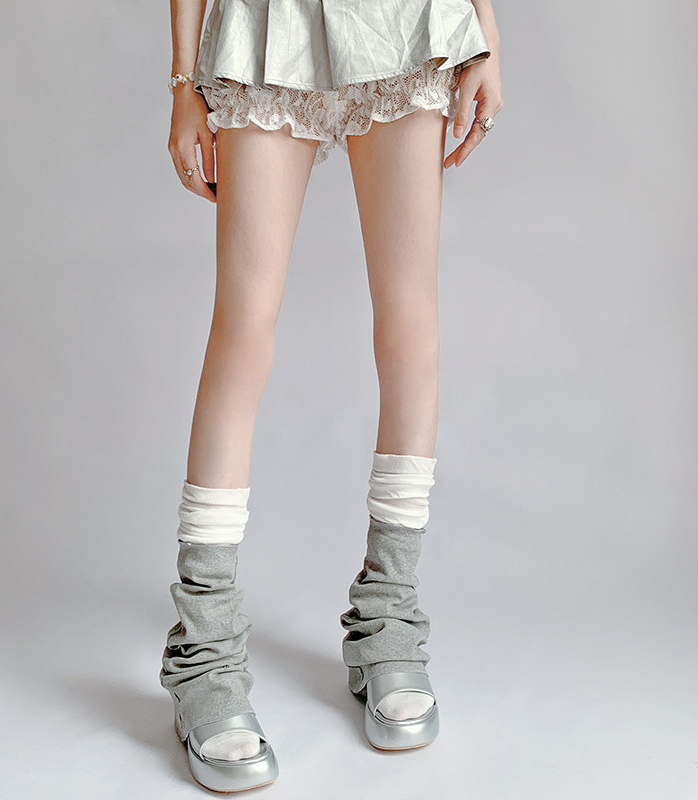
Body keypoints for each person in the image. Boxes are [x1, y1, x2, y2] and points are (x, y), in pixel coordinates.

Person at [159, 0, 503, 792]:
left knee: (410, 322)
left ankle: (389, 617)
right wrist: (183, 83)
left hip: (403, 21)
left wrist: (485, 29)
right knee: (243, 327)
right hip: (266, 20)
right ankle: (204, 652)